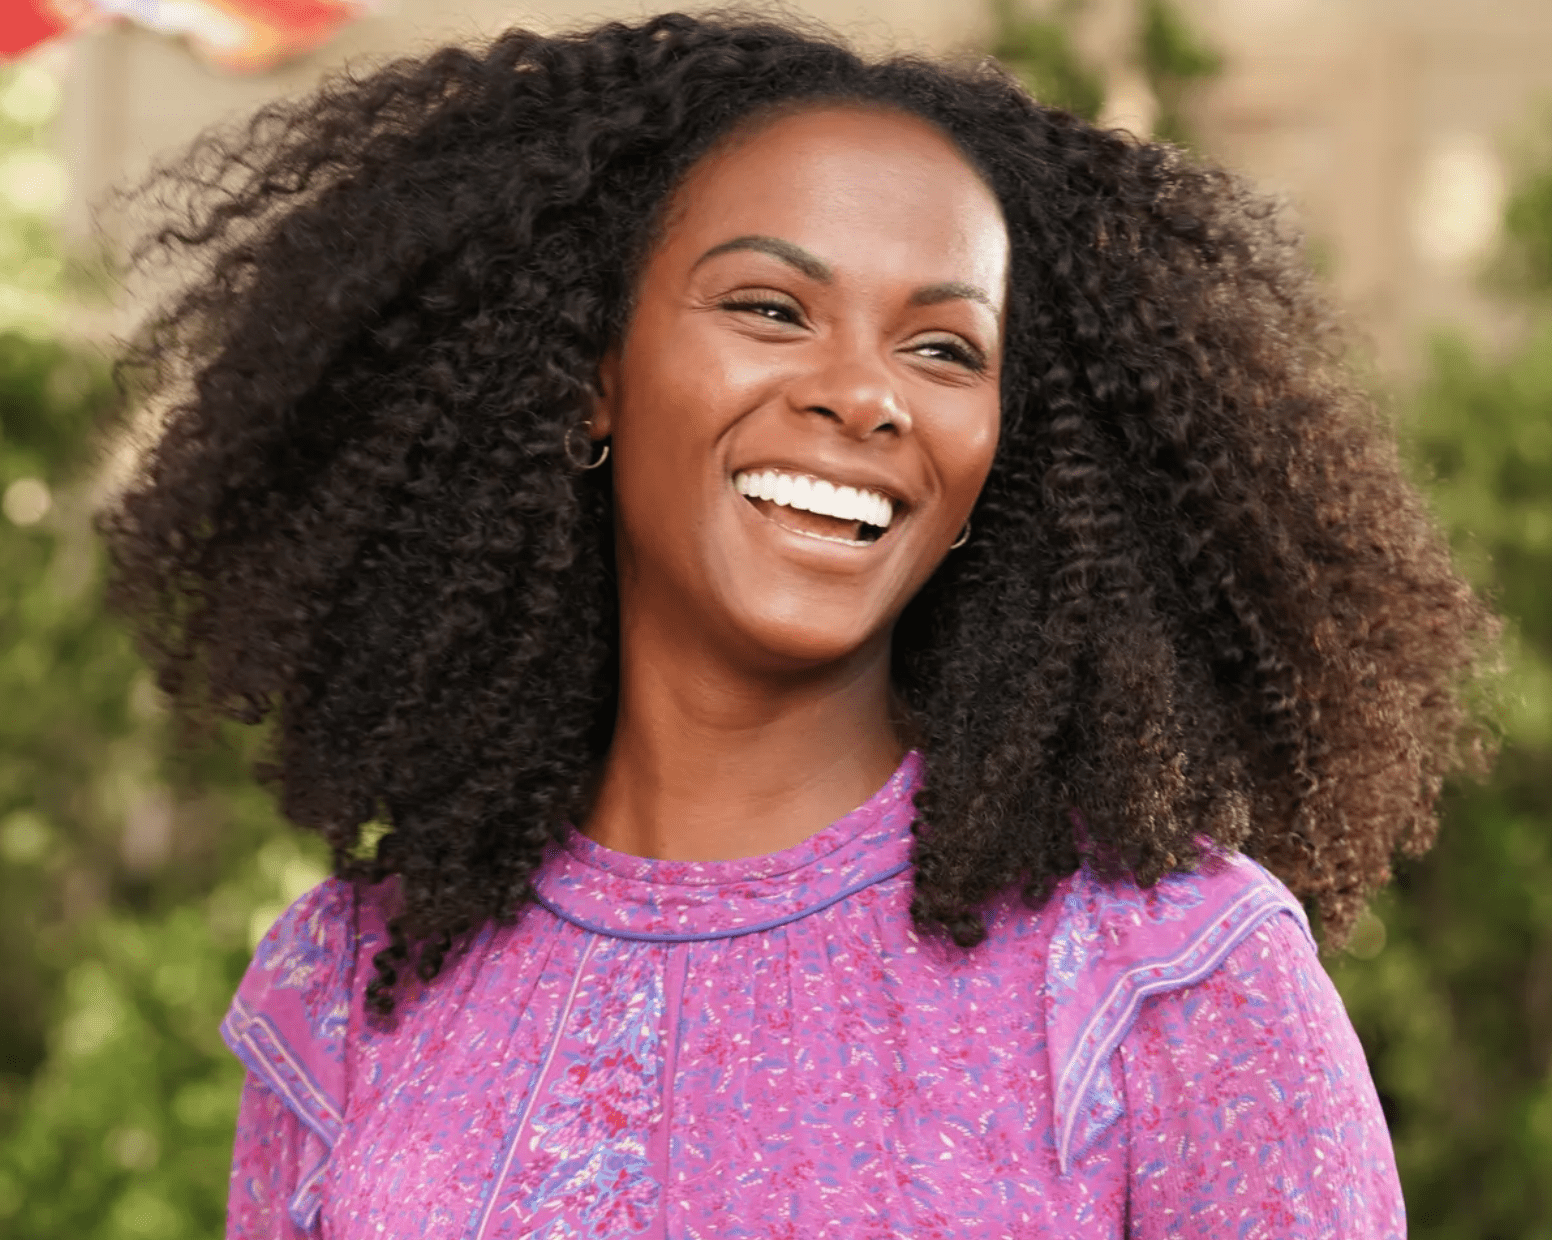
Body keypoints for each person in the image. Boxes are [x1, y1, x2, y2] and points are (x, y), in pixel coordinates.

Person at [101, 12, 1496, 1238]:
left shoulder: (1170, 975)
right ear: (588, 381)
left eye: (943, 347)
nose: (865, 395)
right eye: (771, 308)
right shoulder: (354, 984)